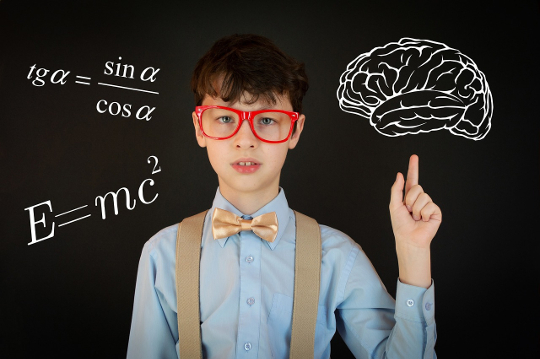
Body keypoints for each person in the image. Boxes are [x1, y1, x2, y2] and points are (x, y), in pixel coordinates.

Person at [127, 34, 441, 359]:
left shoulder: (335, 257)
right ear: (199, 126)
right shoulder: (161, 256)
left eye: (266, 119)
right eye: (224, 118)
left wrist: (413, 252)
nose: (245, 139)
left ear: (295, 131)